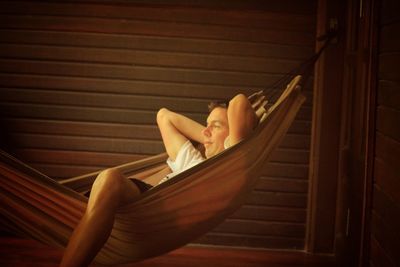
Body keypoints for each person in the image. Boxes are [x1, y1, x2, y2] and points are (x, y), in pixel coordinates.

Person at [60, 94, 258, 267]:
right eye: (206, 125)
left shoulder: (233, 163)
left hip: (155, 212)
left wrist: (226, 139)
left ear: (233, 136)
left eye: (215, 126)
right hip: (146, 197)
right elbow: (164, 116)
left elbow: (238, 102)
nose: (205, 131)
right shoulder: (193, 161)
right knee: (105, 180)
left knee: (109, 180)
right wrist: (210, 136)